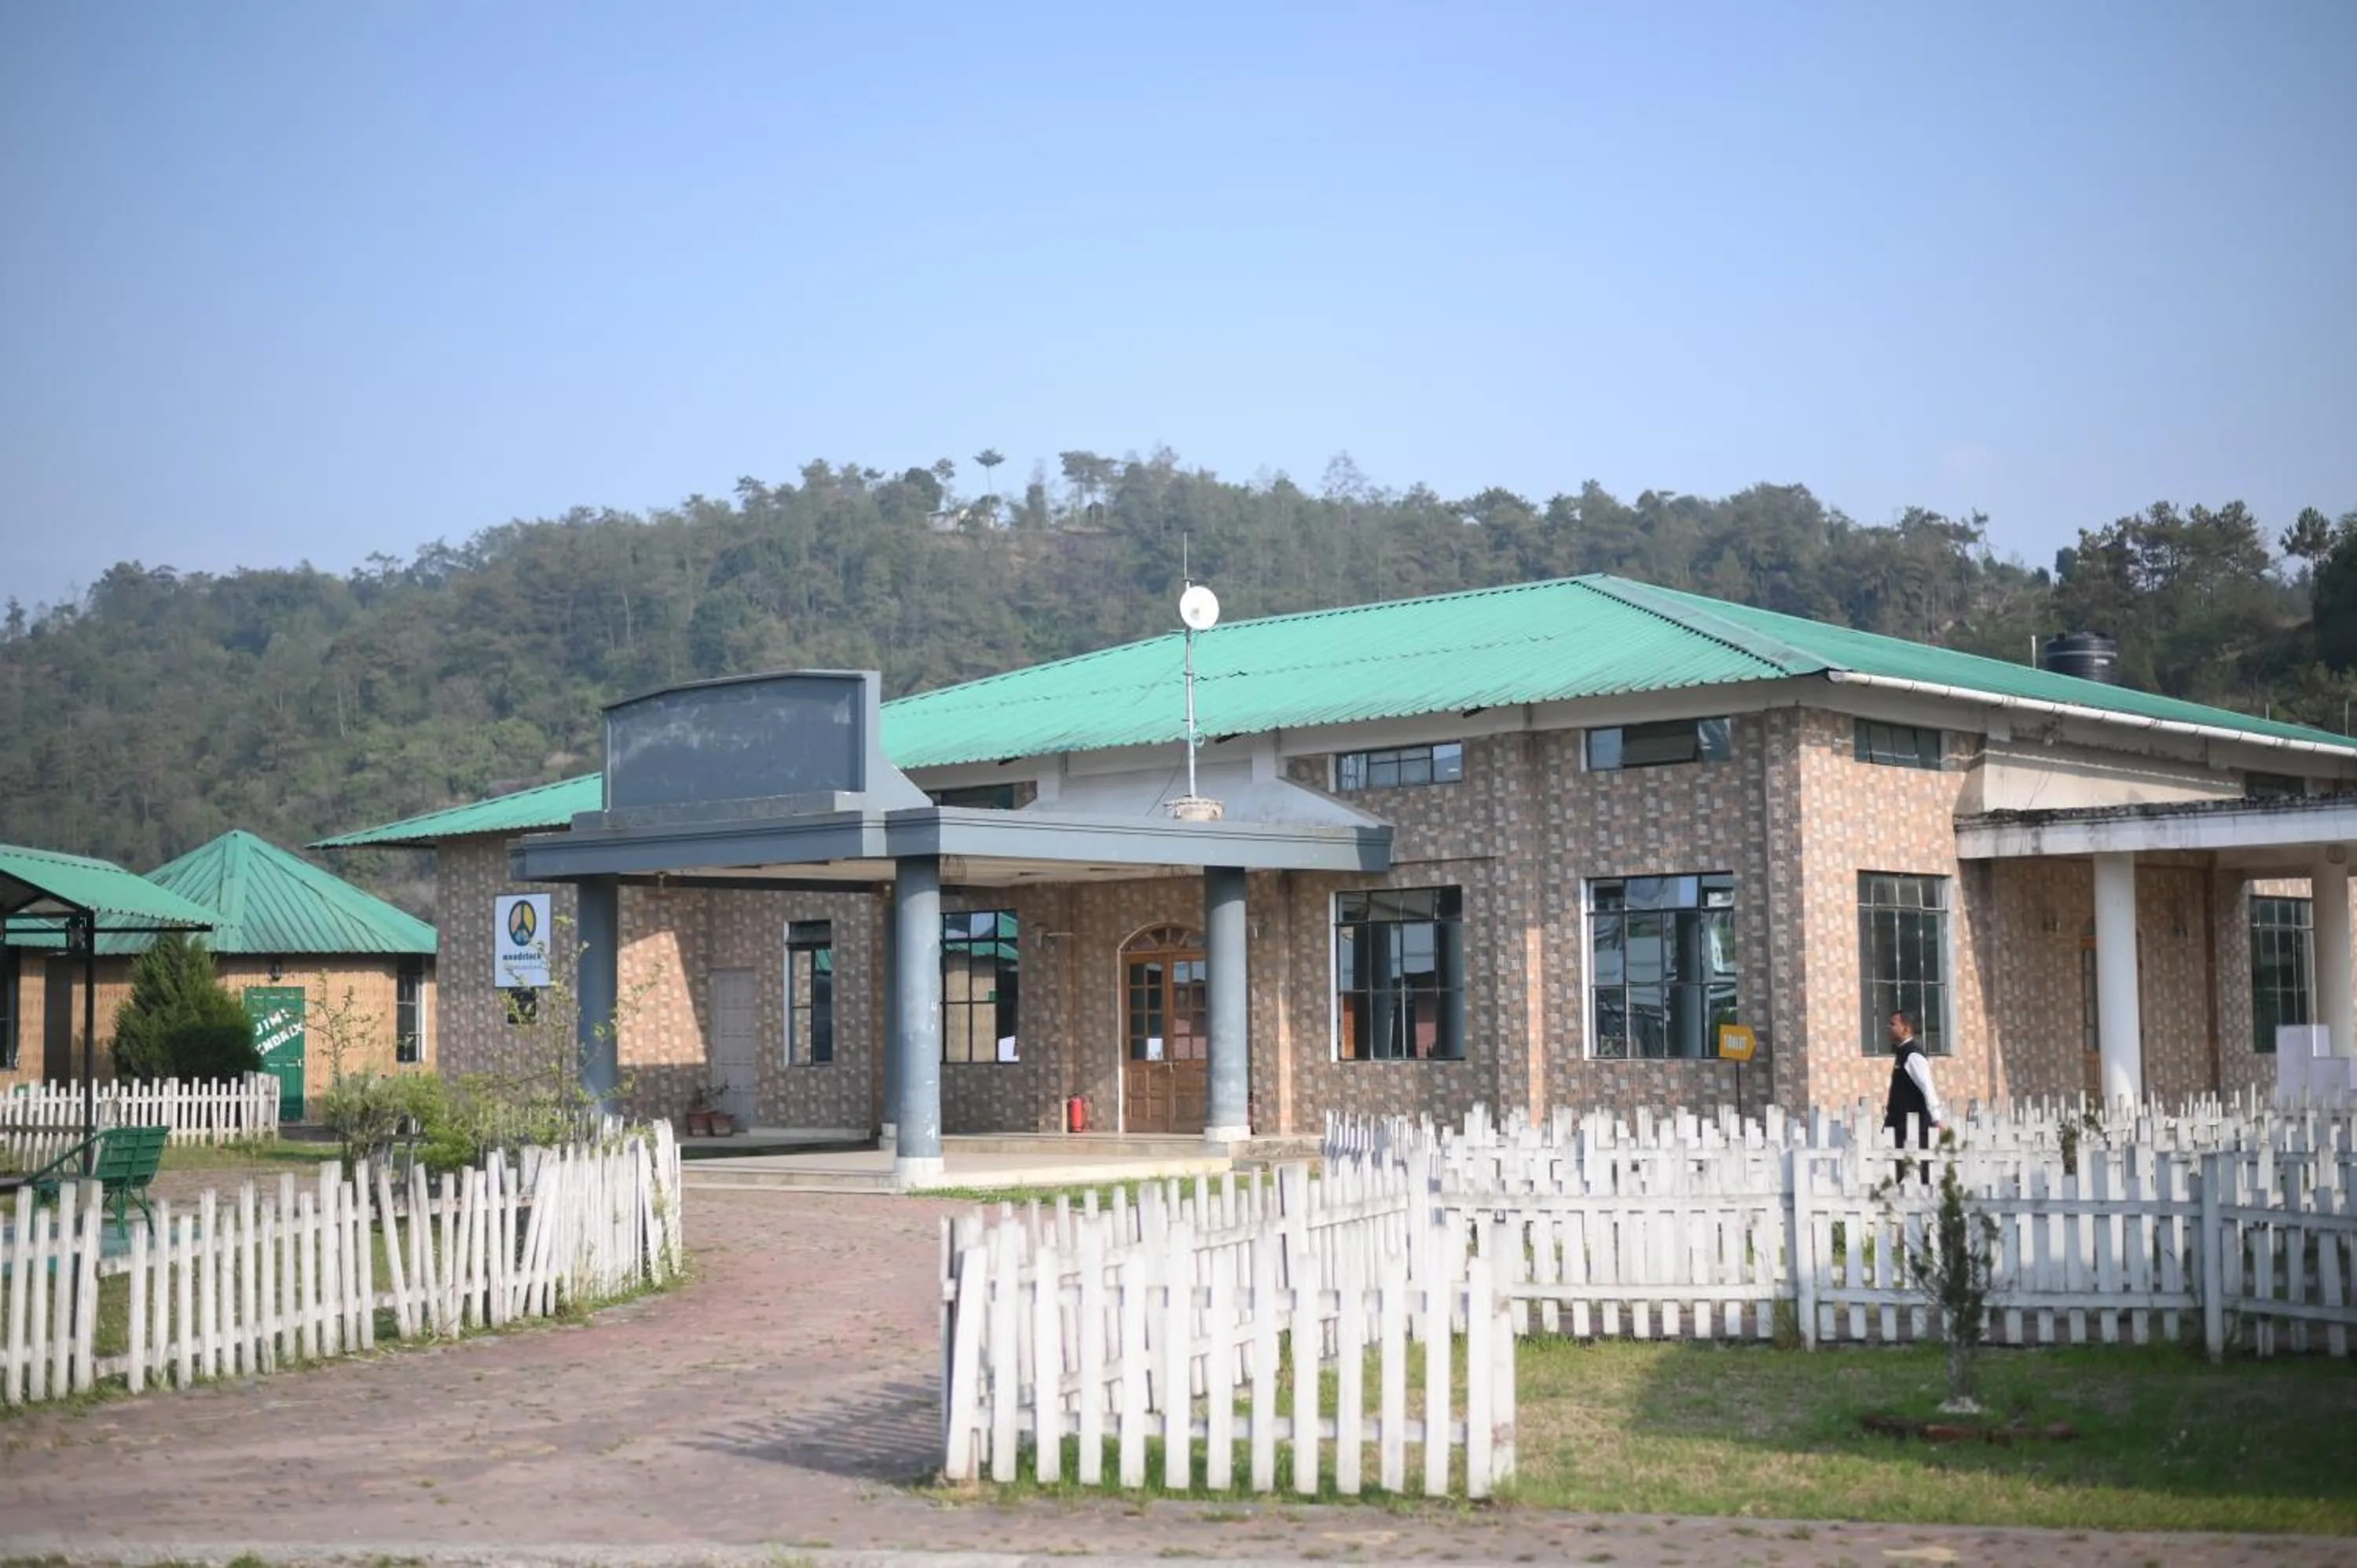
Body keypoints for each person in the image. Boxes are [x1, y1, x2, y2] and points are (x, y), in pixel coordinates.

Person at [1882, 1009, 1945, 1169]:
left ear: (1907, 1028)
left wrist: (1937, 1118)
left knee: (1915, 1173)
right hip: (1899, 1125)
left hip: (1913, 1128)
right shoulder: (1902, 1053)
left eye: (1893, 1024)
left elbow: (1927, 1087)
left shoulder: (1913, 1056)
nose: (1888, 1027)